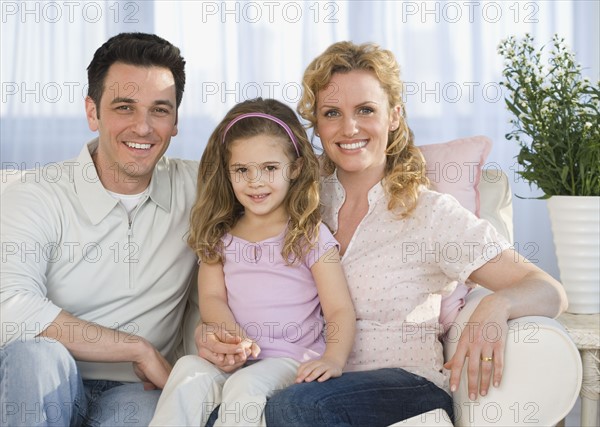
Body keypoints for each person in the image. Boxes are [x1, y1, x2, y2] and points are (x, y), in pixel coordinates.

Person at [199, 42, 569, 426]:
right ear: (317, 124)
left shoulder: (430, 213)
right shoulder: (293, 201)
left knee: (297, 406)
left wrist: (498, 306)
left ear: (394, 116)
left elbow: (547, 289)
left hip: (404, 385)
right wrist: (217, 336)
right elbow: (246, 281)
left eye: (365, 110)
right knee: (223, 414)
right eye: (332, 113)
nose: (349, 128)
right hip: (304, 377)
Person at [0, 33, 198, 426]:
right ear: (93, 112)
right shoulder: (35, 193)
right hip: (44, 381)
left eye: (159, 110)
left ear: (175, 120)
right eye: (125, 107)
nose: (143, 127)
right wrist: (136, 349)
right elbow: (10, 310)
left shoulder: (201, 188)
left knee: (152, 412)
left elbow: (283, 164)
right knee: (35, 357)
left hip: (137, 391)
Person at [149, 98, 356, 427]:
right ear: (227, 172)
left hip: (291, 360)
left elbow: (339, 310)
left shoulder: (308, 234)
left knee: (246, 386)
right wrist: (230, 341)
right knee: (187, 371)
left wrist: (333, 358)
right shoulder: (219, 236)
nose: (255, 181)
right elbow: (213, 299)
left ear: (296, 168)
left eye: (270, 168)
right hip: (236, 357)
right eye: (242, 170)